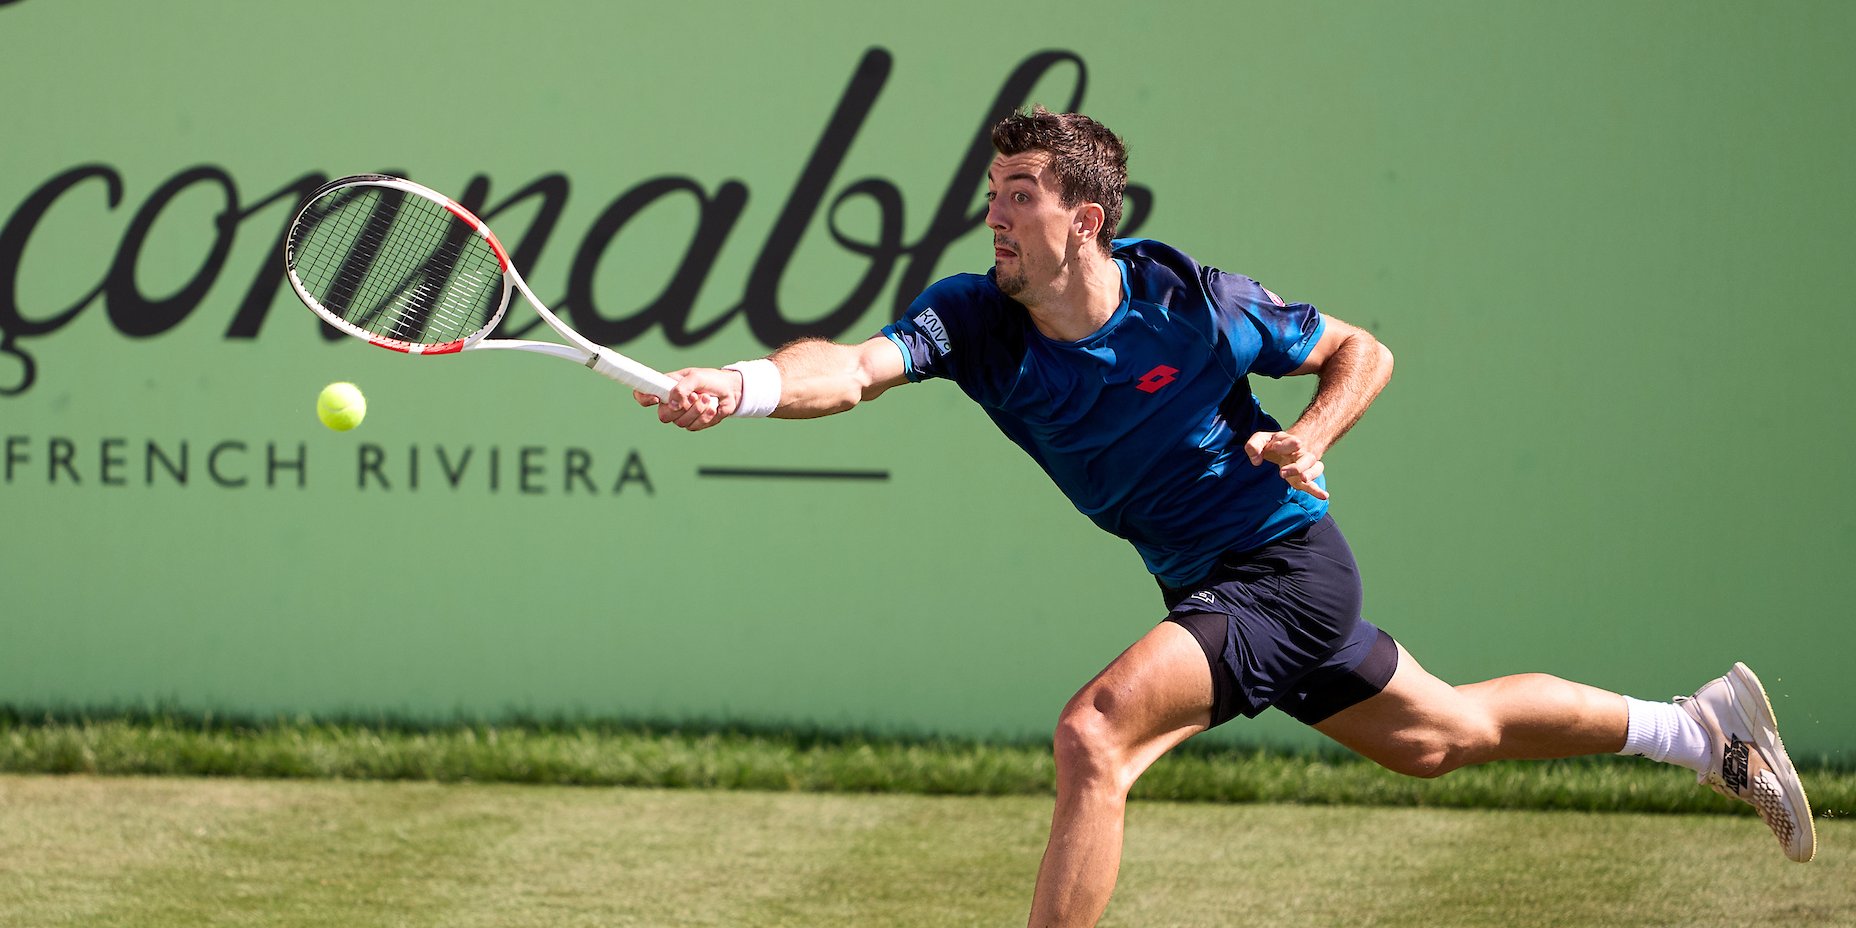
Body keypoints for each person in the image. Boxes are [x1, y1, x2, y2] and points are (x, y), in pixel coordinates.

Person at [636, 107, 1816, 926]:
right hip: (1204, 582)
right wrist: (739, 387)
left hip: (1282, 568)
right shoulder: (977, 318)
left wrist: (1311, 435)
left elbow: (1361, 351)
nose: (991, 218)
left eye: (1017, 198)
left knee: (1093, 734)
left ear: (1084, 219)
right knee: (1439, 736)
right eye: (989, 196)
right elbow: (849, 368)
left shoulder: (1193, 305)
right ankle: (1695, 730)